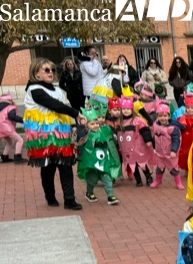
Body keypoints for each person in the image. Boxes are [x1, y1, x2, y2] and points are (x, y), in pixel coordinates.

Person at [23, 58, 86, 210]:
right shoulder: (34, 89)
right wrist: (76, 113)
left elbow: (63, 108)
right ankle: (50, 195)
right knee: (48, 168)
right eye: (46, 70)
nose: (50, 72)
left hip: (61, 134)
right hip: (44, 136)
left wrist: (73, 124)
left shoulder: (58, 90)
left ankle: (69, 199)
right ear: (36, 73)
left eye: (52, 70)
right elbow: (54, 105)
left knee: (65, 165)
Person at [76, 107, 121, 205]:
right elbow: (79, 143)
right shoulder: (86, 135)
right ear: (87, 125)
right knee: (92, 179)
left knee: (107, 177)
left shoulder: (102, 131)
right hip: (91, 163)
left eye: (96, 123)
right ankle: (89, 192)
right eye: (92, 124)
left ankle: (110, 196)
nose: (96, 125)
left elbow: (109, 140)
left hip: (103, 161)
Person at [116, 95, 154, 187]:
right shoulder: (119, 122)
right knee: (132, 165)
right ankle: (138, 179)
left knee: (142, 163)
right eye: (124, 109)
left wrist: (148, 140)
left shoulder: (137, 120)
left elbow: (145, 130)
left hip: (138, 147)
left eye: (128, 109)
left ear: (132, 110)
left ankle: (148, 177)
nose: (126, 111)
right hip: (127, 149)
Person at [149, 100, 185, 189]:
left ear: (169, 116)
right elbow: (154, 136)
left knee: (174, 169)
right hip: (160, 153)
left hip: (170, 154)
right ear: (157, 117)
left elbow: (176, 140)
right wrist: (152, 144)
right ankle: (158, 180)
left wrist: (174, 150)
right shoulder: (155, 125)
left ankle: (178, 182)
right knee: (159, 168)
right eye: (160, 116)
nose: (163, 118)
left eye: (165, 116)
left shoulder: (173, 128)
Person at [176, 87, 193, 171]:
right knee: (186, 156)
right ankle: (188, 169)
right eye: (188, 108)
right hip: (186, 142)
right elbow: (181, 125)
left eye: (192, 108)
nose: (190, 110)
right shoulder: (183, 118)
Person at [0, 92, 24, 163]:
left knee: (10, 141)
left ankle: (4, 157)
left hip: (1, 129)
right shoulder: (10, 107)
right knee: (20, 140)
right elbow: (12, 117)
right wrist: (24, 120)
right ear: (10, 99)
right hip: (7, 128)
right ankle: (17, 157)